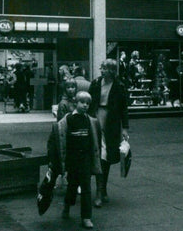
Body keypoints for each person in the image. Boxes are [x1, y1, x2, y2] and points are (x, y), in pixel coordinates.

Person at [48, 91, 101, 230]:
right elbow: (59, 138)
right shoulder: (68, 120)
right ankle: (67, 205)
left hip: (85, 159)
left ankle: (86, 217)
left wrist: (94, 158)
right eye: (82, 102)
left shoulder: (90, 121)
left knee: (86, 187)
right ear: (75, 103)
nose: (85, 105)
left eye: (88, 103)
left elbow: (94, 141)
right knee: (72, 186)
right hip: (72, 159)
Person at [89, 58, 129, 208]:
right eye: (102, 67)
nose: (102, 70)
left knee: (105, 156)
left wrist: (125, 128)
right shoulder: (95, 83)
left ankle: (101, 190)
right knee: (97, 154)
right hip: (95, 118)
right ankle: (100, 191)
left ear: (112, 70)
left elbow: (124, 108)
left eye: (105, 68)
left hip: (111, 122)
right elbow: (89, 102)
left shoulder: (119, 86)